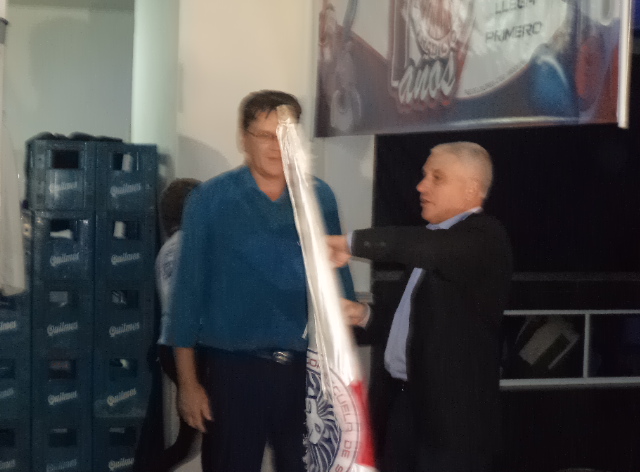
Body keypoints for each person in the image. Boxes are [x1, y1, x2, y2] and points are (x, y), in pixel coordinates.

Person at [159, 90, 356, 472]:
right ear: (243, 138)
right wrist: (188, 383)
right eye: (265, 136)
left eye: (286, 136)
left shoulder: (319, 197)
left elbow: (338, 287)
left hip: (306, 372)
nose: (277, 147)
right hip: (234, 373)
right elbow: (187, 295)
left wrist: (339, 381)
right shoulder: (210, 200)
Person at [327, 142, 513, 472]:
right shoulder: (432, 243)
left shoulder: (485, 238)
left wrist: (349, 243)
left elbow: (422, 247)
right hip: (406, 409)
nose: (421, 186)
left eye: (436, 177)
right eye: (424, 175)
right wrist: (363, 315)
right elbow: (407, 325)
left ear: (471, 189)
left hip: (454, 427)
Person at [155, 178, 203, 471]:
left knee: (188, 442)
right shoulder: (193, 246)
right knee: (205, 434)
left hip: (170, 347)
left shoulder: (167, 250)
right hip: (191, 347)